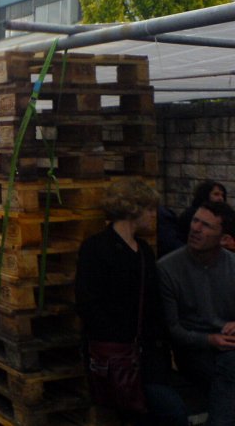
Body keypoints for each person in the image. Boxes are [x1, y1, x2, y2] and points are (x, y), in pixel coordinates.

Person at [75, 179, 188, 426]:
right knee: (170, 412)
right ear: (133, 209)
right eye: (149, 209)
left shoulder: (144, 250)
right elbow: (88, 303)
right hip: (119, 357)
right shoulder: (96, 249)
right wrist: (122, 339)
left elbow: (152, 304)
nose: (152, 215)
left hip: (148, 354)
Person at [158, 201, 235, 426]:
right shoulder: (168, 268)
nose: (196, 229)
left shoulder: (232, 266)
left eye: (206, 226)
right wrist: (209, 339)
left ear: (223, 237)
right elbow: (172, 328)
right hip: (195, 349)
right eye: (195, 221)